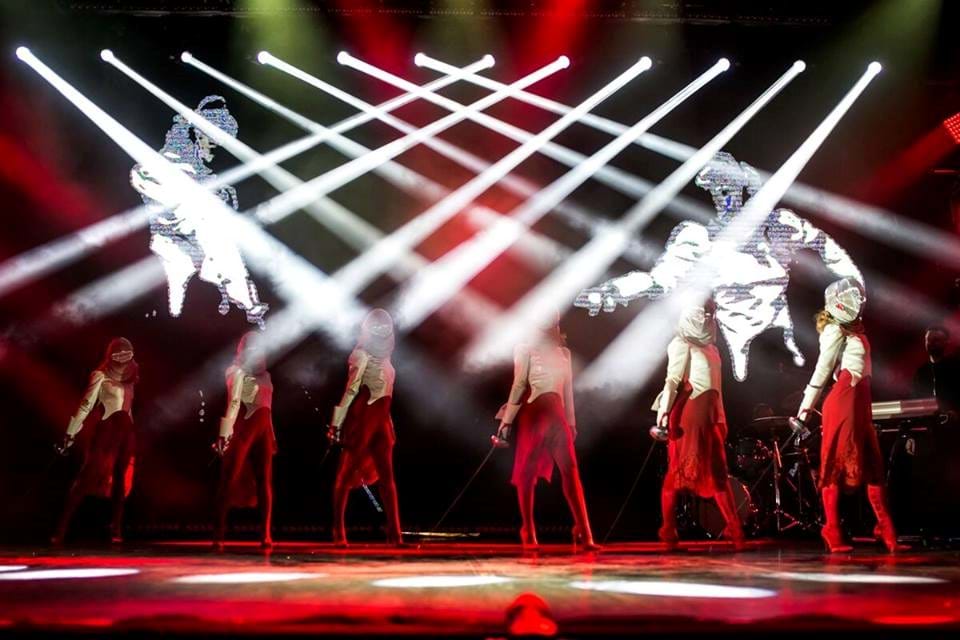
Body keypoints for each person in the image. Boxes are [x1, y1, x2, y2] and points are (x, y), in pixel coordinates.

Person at [575, 151, 862, 382]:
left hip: (784, 336)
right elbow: (659, 280)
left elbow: (825, 245)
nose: (722, 190)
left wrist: (853, 283)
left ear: (740, 183)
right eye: (715, 185)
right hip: (736, 344)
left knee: (803, 376)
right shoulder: (698, 237)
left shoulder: (778, 225)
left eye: (727, 182)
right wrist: (611, 292)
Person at [130, 95, 268, 327]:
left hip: (197, 244)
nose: (215, 146)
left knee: (224, 257)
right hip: (171, 244)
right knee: (174, 305)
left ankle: (249, 305)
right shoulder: (170, 158)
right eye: (212, 140)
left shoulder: (206, 176)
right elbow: (145, 177)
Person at [795, 278, 907, 553]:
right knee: (836, 464)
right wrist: (803, 412)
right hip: (844, 400)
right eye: (850, 296)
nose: (856, 299)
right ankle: (831, 528)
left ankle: (885, 529)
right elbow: (822, 371)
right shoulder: (834, 330)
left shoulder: (855, 328)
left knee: (872, 467)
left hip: (860, 402)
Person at [495, 311, 598, 551]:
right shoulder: (525, 349)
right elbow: (519, 385)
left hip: (557, 415)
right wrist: (507, 421)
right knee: (527, 473)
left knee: (571, 472)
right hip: (534, 414)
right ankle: (528, 529)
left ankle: (585, 532)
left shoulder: (563, 353)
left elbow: (568, 390)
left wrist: (571, 423)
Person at [652, 300, 745, 551]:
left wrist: (721, 419)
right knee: (679, 473)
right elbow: (672, 380)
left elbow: (718, 389)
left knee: (717, 473)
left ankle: (735, 531)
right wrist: (663, 412)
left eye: (710, 312)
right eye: (703, 311)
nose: (707, 316)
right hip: (689, 415)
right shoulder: (681, 343)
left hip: (709, 415)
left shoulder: (712, 349)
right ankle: (668, 530)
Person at [51, 338, 138, 545]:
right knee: (86, 478)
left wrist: (131, 432)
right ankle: (61, 529)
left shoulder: (132, 376)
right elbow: (86, 405)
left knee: (120, 480)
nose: (123, 357)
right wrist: (71, 432)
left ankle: (116, 528)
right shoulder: (100, 375)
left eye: (126, 352)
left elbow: (129, 407)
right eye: (119, 352)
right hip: (106, 432)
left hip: (126, 433)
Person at [327, 309, 403, 546]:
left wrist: (389, 421)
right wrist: (336, 423)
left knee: (387, 477)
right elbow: (350, 390)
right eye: (377, 326)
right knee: (347, 472)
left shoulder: (386, 358)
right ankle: (338, 530)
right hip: (363, 417)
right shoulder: (360, 355)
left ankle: (395, 533)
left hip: (381, 419)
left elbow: (387, 392)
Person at [213, 332, 276, 549]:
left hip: (263, 431)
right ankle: (219, 535)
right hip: (241, 429)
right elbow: (233, 403)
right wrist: (224, 434)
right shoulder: (235, 371)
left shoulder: (266, 375)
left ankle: (265, 534)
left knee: (264, 482)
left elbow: (268, 407)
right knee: (228, 479)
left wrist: (272, 435)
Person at [912, 326, 960, 415]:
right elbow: (915, 398)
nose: (931, 343)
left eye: (936, 340)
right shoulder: (921, 372)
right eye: (928, 340)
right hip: (930, 419)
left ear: (946, 342)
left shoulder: (956, 367)